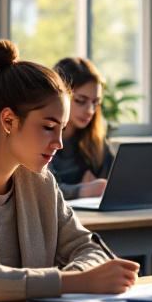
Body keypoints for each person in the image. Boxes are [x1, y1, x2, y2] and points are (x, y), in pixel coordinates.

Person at [0, 42, 139, 302]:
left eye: (61, 129)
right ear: (8, 121)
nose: (59, 143)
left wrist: (75, 280)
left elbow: (88, 248)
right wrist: (75, 282)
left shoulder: (39, 181)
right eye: (48, 127)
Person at [47, 56, 112, 201]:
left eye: (96, 103)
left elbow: (110, 183)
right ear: (59, 97)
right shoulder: (40, 138)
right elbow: (41, 190)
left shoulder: (95, 140)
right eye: (80, 101)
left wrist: (97, 187)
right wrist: (82, 190)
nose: (90, 110)